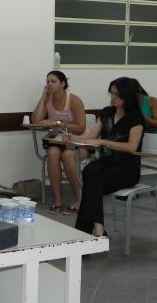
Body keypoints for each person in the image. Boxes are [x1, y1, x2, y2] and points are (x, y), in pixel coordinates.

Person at [71, 77, 144, 237]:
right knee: (89, 171)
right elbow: (91, 137)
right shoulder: (107, 112)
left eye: (117, 94)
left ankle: (89, 232)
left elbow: (132, 147)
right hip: (107, 162)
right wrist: (72, 138)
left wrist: (105, 142)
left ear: (127, 96)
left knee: (91, 184)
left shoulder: (135, 117)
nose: (112, 98)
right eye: (111, 93)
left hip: (127, 167)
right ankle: (98, 229)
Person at [31, 70, 87, 215]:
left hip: (76, 141)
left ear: (63, 84)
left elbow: (81, 128)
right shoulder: (48, 99)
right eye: (47, 82)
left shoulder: (73, 100)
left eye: (53, 81)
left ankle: (80, 197)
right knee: (52, 153)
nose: (49, 84)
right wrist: (43, 98)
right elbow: (36, 121)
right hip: (56, 140)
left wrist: (58, 123)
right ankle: (58, 200)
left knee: (67, 156)